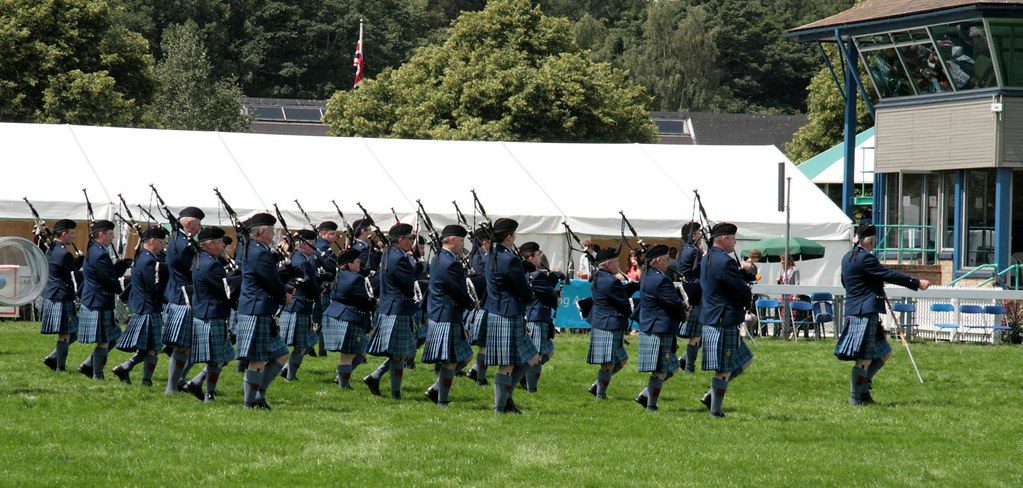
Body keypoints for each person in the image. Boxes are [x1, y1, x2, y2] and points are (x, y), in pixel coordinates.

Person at [836, 224, 929, 406]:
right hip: (866, 311)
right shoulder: (866, 259)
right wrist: (917, 283)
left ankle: (863, 389)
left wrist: (872, 287)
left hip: (857, 308)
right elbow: (889, 274)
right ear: (870, 241)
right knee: (864, 358)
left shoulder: (847, 258)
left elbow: (846, 282)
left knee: (884, 352)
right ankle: (856, 399)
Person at [235, 213, 291, 410]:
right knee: (257, 360)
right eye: (271, 230)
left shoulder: (253, 248)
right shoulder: (259, 252)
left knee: (282, 354)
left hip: (259, 307)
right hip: (256, 308)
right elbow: (271, 280)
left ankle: (259, 394)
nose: (274, 234)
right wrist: (284, 295)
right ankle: (248, 403)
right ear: (261, 231)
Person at [484, 218, 539, 414]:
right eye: (514, 235)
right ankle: (501, 408)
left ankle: (507, 398)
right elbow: (521, 287)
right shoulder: (509, 259)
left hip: (498, 311)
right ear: (509, 237)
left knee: (531, 357)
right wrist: (531, 296)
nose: (515, 238)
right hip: (508, 313)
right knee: (506, 365)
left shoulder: (492, 254)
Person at [699, 223, 754, 418]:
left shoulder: (707, 259)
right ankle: (715, 410)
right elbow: (740, 289)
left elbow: (726, 279)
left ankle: (711, 396)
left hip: (713, 316)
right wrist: (748, 294)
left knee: (745, 359)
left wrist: (743, 273)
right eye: (732, 238)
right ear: (723, 239)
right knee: (723, 369)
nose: (735, 242)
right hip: (724, 318)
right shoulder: (725, 261)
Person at [421, 225, 476, 407]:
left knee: (465, 356)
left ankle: (436, 390)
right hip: (447, 313)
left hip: (442, 312)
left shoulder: (439, 258)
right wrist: (471, 303)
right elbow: (457, 289)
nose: (463, 244)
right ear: (452, 240)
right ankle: (441, 400)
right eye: (461, 240)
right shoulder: (449, 262)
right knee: (450, 362)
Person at [363, 223, 418, 399]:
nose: (413, 242)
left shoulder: (388, 254)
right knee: (400, 353)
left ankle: (376, 377)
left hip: (391, 306)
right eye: (411, 238)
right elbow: (409, 284)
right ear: (401, 240)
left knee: (400, 352)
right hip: (398, 307)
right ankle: (393, 391)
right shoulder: (399, 258)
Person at [182, 227, 236, 402]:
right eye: (220, 242)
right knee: (215, 360)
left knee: (222, 358)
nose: (222, 245)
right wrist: (240, 279)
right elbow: (223, 290)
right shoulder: (211, 264)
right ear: (210, 244)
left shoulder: (200, 259)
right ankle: (208, 394)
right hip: (212, 313)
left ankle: (197, 384)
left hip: (206, 312)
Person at [112, 226, 168, 386]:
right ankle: (137, 375)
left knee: (149, 348)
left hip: (144, 306)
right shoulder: (149, 260)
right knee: (152, 348)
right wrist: (165, 296)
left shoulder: (142, 256)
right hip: (149, 307)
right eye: (160, 242)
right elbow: (153, 287)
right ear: (151, 241)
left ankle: (138, 375)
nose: (162, 246)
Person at [634, 245, 686, 411]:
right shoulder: (661, 279)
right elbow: (672, 303)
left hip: (651, 325)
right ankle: (651, 405)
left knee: (669, 367)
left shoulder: (647, 276)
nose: (668, 261)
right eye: (665, 259)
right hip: (660, 327)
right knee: (661, 370)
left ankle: (645, 396)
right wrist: (684, 309)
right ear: (656, 261)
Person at [77, 219, 130, 380]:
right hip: (98, 300)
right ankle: (97, 375)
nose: (112, 237)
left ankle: (88, 365)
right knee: (104, 341)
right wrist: (123, 286)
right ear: (100, 234)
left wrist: (117, 269)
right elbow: (106, 279)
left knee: (113, 337)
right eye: (109, 234)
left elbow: (106, 274)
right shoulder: (99, 253)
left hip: (98, 299)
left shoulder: (97, 250)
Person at [162, 207, 203, 395]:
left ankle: (179, 381)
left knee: (190, 346)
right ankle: (172, 386)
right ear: (187, 223)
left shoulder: (179, 240)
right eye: (198, 224)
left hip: (182, 296)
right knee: (183, 347)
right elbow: (192, 269)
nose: (199, 228)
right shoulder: (183, 245)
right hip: (183, 298)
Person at [586, 247, 636, 400]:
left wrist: (629, 288)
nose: (618, 264)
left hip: (603, 323)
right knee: (608, 364)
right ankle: (600, 395)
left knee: (621, 359)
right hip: (609, 325)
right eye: (615, 262)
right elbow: (623, 304)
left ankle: (597, 386)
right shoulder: (611, 281)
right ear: (607, 264)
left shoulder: (600, 276)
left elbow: (615, 293)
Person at [323, 249, 375, 390]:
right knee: (348, 355)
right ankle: (343, 385)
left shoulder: (340, 274)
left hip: (337, 314)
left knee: (361, 351)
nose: (360, 264)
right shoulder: (356, 279)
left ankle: (340, 378)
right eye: (357, 262)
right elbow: (366, 300)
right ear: (350, 264)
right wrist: (376, 302)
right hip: (349, 317)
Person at [278, 229, 321, 382]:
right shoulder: (302, 261)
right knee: (300, 345)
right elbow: (309, 283)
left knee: (304, 341)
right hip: (299, 305)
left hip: (294, 305)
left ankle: (286, 371)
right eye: (313, 244)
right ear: (303, 244)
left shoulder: (295, 257)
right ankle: (289, 375)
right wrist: (319, 291)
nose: (315, 248)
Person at [519, 241, 559, 393]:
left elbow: (548, 282)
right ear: (530, 257)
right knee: (536, 354)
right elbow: (549, 293)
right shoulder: (535, 275)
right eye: (537, 255)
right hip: (536, 315)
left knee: (548, 351)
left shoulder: (531, 274)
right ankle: (531, 387)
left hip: (539, 316)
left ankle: (523, 375)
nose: (540, 258)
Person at [40, 219, 79, 373]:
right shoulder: (64, 253)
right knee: (65, 334)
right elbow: (71, 274)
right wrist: (80, 262)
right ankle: (59, 367)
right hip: (61, 295)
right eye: (71, 234)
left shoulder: (52, 248)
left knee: (71, 332)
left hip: (53, 293)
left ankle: (53, 358)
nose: (73, 237)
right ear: (63, 234)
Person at [676, 221, 704, 373]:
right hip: (696, 294)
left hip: (690, 292)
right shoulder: (694, 251)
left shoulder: (683, 249)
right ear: (693, 235)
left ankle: (685, 360)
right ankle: (689, 367)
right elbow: (701, 270)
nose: (701, 235)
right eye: (699, 232)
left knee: (701, 334)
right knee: (697, 335)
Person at [466, 226, 491, 386]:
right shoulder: (482, 258)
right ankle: (479, 376)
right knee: (486, 344)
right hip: (485, 303)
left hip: (483, 303)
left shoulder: (476, 256)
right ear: (484, 242)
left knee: (486, 344)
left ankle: (476, 371)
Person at [314, 221, 341, 356]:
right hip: (325, 287)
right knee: (325, 317)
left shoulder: (322, 245)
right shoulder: (322, 247)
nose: (334, 236)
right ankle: (321, 350)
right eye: (331, 234)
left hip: (324, 286)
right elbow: (331, 266)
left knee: (323, 318)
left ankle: (312, 346)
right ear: (322, 233)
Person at [778, 255, 801, 338]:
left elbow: (797, 283)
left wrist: (795, 295)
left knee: (792, 314)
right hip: (784, 295)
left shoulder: (795, 269)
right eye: (781, 260)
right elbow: (781, 281)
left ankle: (792, 331)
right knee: (783, 314)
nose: (781, 262)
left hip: (791, 294)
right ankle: (784, 332)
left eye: (783, 260)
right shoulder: (782, 270)